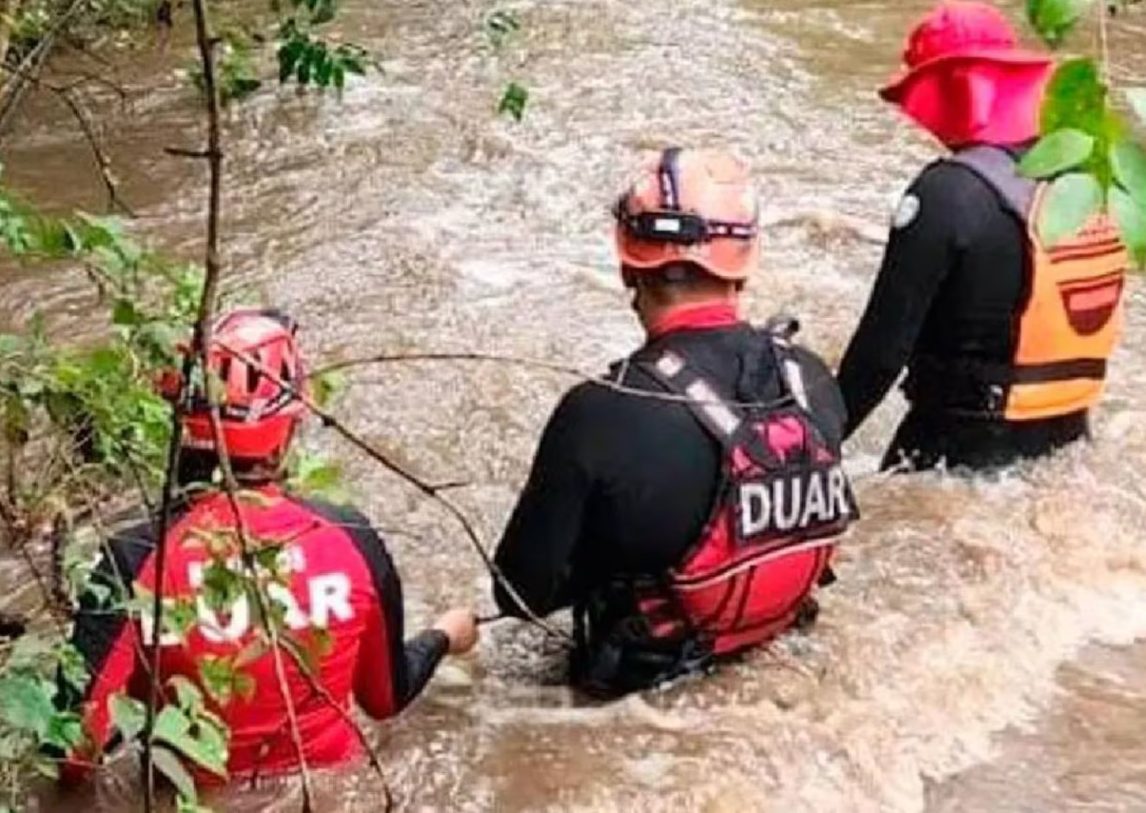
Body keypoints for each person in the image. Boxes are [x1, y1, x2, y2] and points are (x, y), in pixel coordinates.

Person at [491, 148, 858, 697]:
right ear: (745, 266)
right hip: (777, 667)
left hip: (633, 704)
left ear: (626, 267)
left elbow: (519, 596)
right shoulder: (811, 381)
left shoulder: (599, 410)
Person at [59, 308, 478, 783]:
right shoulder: (350, 537)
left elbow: (72, 756)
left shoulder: (133, 559)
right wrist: (444, 634)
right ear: (288, 432)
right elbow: (384, 698)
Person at [837, 1, 1129, 472]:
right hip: (1067, 449)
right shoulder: (1086, 178)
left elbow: (880, 355)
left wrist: (813, 448)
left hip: (956, 451)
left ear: (947, 90)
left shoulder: (948, 193)